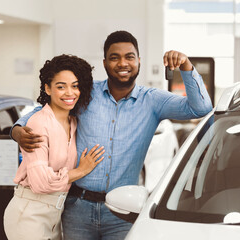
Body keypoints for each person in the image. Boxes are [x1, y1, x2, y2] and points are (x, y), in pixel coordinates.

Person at [11, 30, 213, 240]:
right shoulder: (86, 93)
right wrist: (17, 129)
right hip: (77, 208)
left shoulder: (153, 101)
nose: (122, 63)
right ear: (105, 63)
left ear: (139, 61)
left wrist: (186, 67)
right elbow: (49, 108)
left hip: (123, 211)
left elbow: (200, 108)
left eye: (129, 57)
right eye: (114, 58)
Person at [4, 54, 105, 240]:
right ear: (47, 89)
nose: (70, 93)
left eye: (75, 86)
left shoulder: (73, 122)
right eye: (61, 86)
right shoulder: (39, 123)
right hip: (29, 214)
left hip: (55, 216)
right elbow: (41, 182)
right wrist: (80, 171)